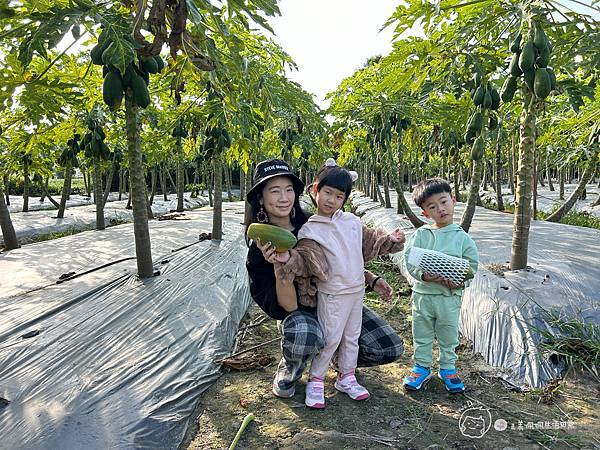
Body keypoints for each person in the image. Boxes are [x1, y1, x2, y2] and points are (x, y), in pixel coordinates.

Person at [245, 158, 404, 401]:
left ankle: (339, 365)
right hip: (299, 312)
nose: (283, 198)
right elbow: (288, 307)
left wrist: (370, 279)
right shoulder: (260, 248)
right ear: (261, 198)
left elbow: (338, 259)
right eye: (274, 191)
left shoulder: (313, 222)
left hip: (338, 297)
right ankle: (292, 367)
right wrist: (280, 263)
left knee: (388, 346)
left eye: (288, 190)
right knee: (305, 334)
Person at [402, 178, 479, 393]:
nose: (440, 209)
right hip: (423, 296)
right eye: (432, 207)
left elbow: (471, 266)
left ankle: (448, 368)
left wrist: (458, 280)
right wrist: (424, 276)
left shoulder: (462, 239)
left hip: (448, 297)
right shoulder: (421, 235)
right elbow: (410, 260)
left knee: (448, 334)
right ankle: (421, 367)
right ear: (425, 213)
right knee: (422, 333)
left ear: (453, 201)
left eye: (444, 202)